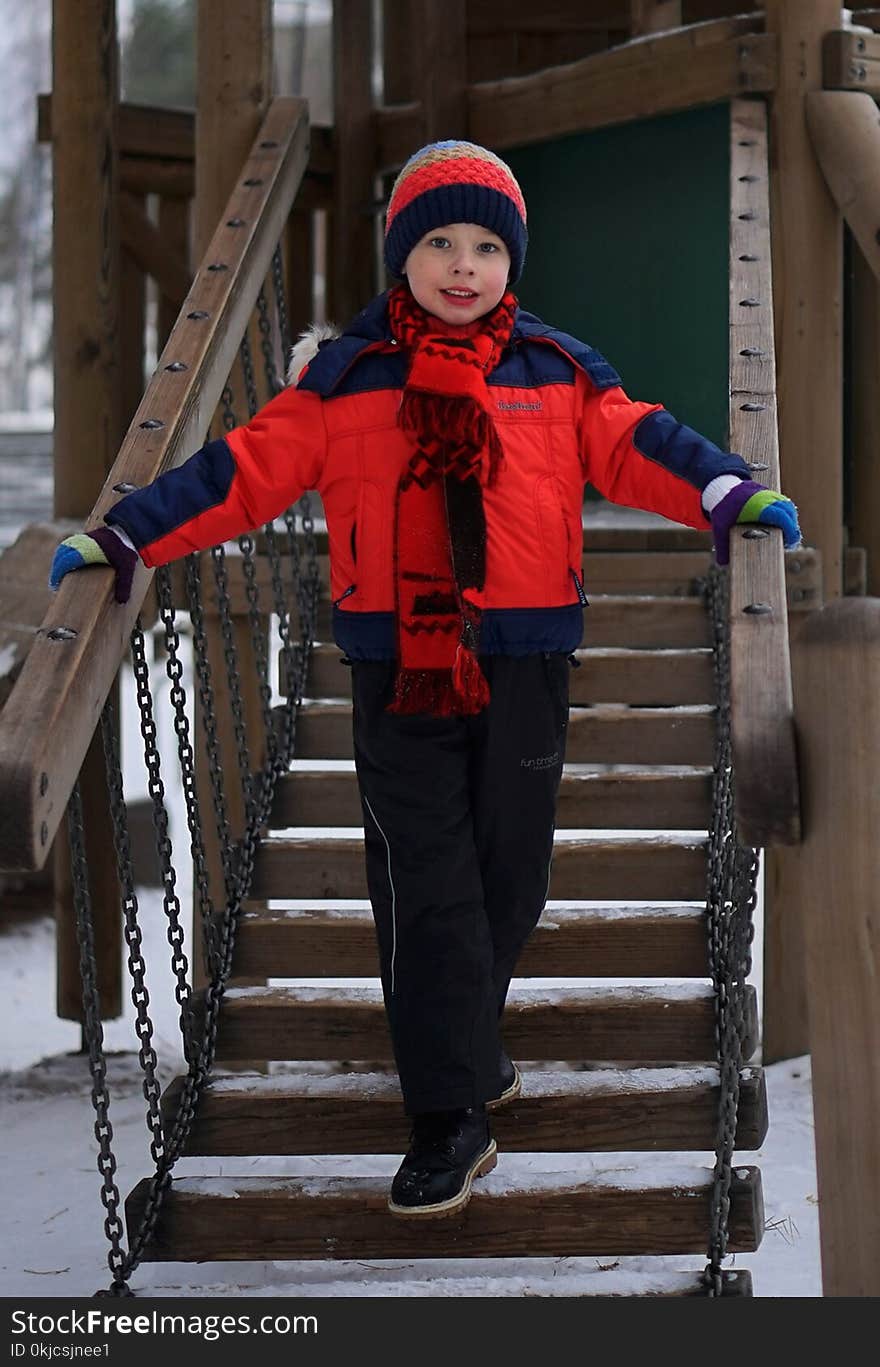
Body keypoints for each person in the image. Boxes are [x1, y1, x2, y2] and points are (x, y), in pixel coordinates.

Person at [50, 140, 800, 1220]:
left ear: (512, 261)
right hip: (396, 663)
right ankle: (446, 1116)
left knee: (510, 875)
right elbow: (240, 474)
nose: (462, 265)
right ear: (402, 255)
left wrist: (727, 493)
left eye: (486, 245)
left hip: (529, 657)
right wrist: (129, 536)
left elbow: (640, 445)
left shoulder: (556, 370)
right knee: (430, 883)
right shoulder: (346, 380)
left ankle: (461, 1041)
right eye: (439, 241)